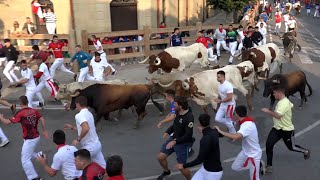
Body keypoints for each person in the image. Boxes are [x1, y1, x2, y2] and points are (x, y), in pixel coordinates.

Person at [261, 86, 310, 173]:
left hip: (287, 131)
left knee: (292, 147)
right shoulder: (284, 101)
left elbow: (278, 116)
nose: (273, 94)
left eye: (274, 93)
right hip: (276, 129)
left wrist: (267, 111)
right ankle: (269, 166)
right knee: (269, 145)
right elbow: (292, 105)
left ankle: (305, 151)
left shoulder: (283, 103)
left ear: (280, 93)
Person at [0, 95, 49, 180]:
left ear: (20, 103)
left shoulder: (20, 113)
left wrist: (1, 117)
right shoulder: (34, 110)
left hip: (30, 140)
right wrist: (44, 131)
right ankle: (40, 155)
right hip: (36, 137)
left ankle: (34, 177)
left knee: (25, 159)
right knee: (28, 153)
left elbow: (7, 122)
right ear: (27, 102)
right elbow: (42, 119)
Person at [216, 105, 265, 180]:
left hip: (254, 155)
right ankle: (257, 165)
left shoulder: (247, 125)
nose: (234, 115)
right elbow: (236, 135)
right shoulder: (244, 121)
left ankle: (256, 164)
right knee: (235, 167)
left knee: (255, 179)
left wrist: (220, 131)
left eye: (234, 113)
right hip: (245, 151)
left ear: (238, 115)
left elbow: (236, 137)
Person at [157, 96, 194, 180]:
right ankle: (166, 172)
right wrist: (168, 131)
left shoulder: (189, 118)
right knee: (160, 157)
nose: (173, 106)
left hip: (183, 144)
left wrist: (175, 141)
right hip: (174, 139)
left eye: (175, 105)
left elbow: (188, 135)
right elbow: (175, 124)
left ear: (180, 106)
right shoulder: (178, 112)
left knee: (181, 167)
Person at [64, 96, 106, 168]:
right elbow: (87, 128)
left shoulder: (79, 115)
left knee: (77, 165)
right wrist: (72, 127)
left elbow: (86, 128)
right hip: (97, 145)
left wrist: (78, 140)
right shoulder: (89, 114)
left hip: (89, 148)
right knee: (103, 168)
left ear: (78, 104)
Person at [176, 114, 223, 180]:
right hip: (205, 168)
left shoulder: (205, 140)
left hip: (213, 174)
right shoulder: (214, 132)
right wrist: (216, 129)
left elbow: (199, 160)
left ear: (199, 124)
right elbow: (221, 134)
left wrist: (183, 165)